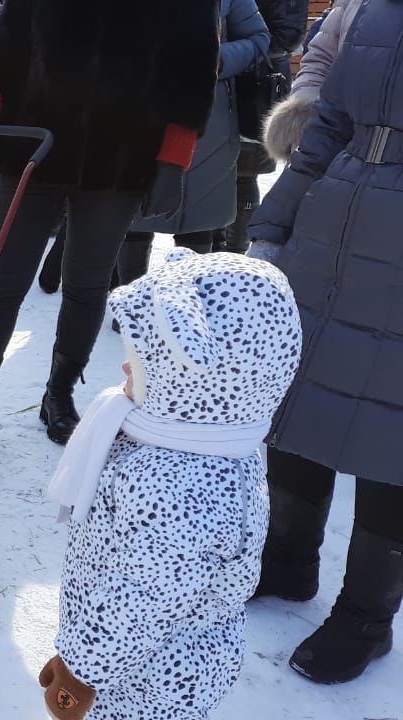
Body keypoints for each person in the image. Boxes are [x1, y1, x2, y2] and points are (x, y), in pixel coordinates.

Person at [0, 0, 219, 452]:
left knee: (88, 284)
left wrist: (173, 160)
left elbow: (192, 70)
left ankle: (60, 391)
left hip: (120, 155)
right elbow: (5, 45)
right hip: (33, 145)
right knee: (2, 281)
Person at [41, 249, 301, 720]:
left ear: (194, 381)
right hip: (150, 659)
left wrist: (80, 669)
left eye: (141, 363)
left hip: (145, 681)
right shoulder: (217, 441)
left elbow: (145, 596)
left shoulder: (178, 482)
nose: (123, 371)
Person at [247, 0, 403, 684]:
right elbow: (328, 125)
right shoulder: (375, 13)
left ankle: (367, 617)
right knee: (304, 398)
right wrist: (275, 223)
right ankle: (287, 561)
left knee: (391, 434)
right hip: (330, 230)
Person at [116, 0, 269, 285]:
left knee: (199, 219)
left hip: (211, 118)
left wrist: (217, 58)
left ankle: (189, 305)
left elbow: (259, 39)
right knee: (134, 217)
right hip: (138, 110)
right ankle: (131, 305)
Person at [214, 0, 308, 254]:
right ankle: (213, 248)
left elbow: (287, 36)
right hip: (220, 85)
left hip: (256, 87)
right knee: (212, 173)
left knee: (244, 173)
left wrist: (236, 49)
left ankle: (234, 252)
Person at [263, 0, 362, 163]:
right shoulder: (350, 4)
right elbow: (319, 60)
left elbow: (287, 36)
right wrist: (307, 111)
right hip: (336, 141)